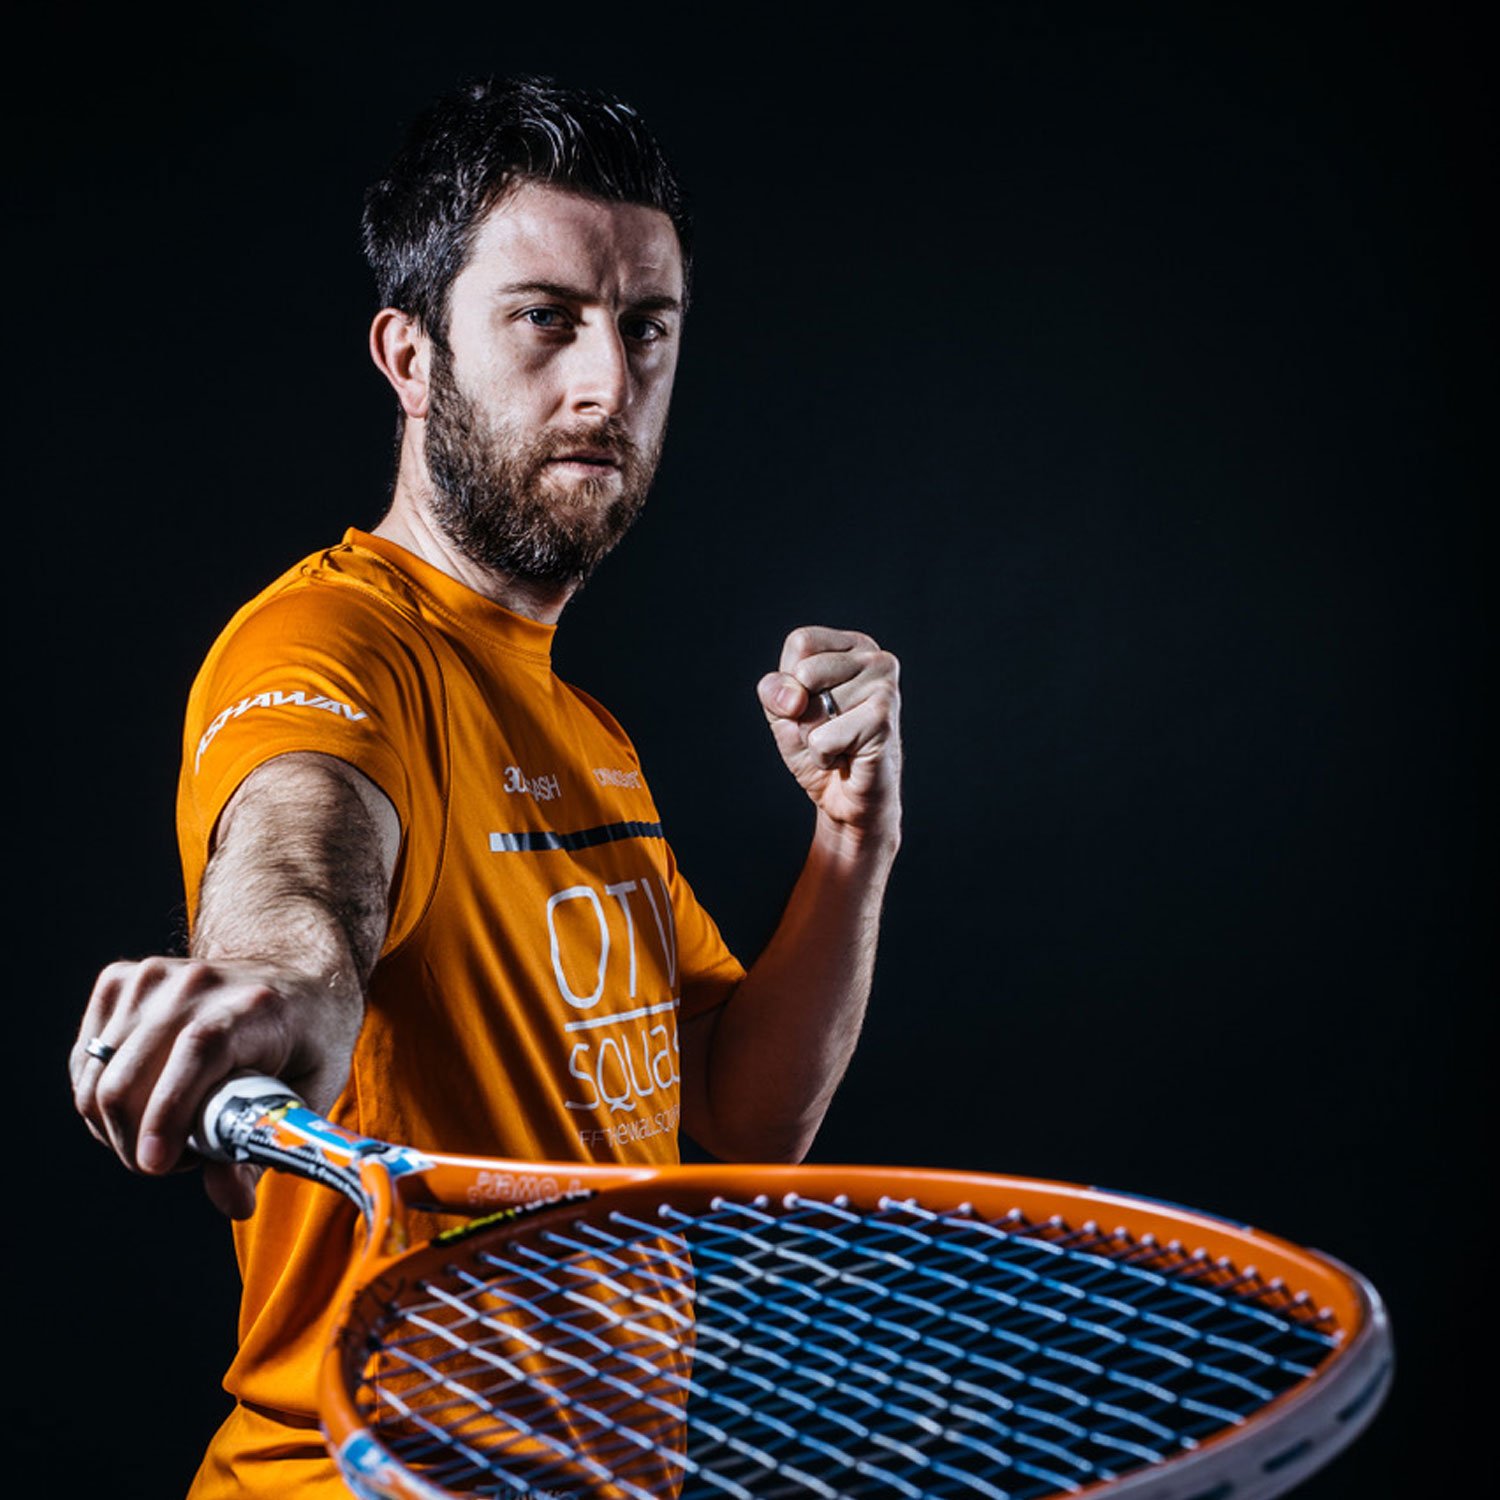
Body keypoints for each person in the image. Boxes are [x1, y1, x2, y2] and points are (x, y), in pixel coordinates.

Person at [69, 75, 902, 1497]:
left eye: (648, 330)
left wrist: (850, 841)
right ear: (408, 355)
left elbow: (747, 1112)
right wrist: (272, 1005)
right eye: (546, 319)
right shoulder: (330, 641)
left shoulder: (586, 730)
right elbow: (300, 867)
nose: (607, 385)